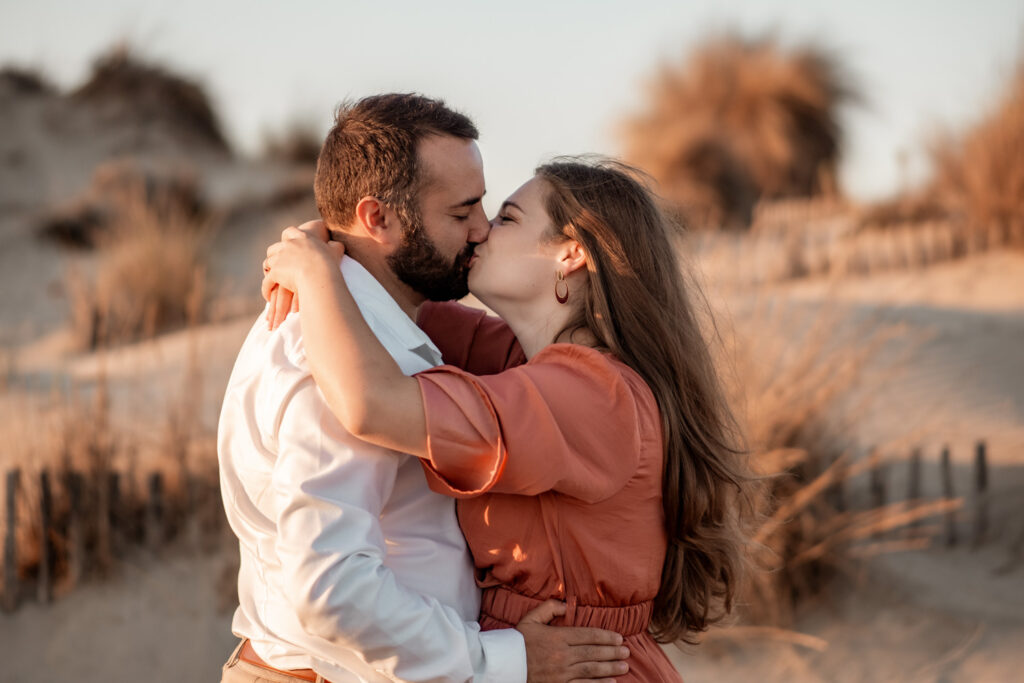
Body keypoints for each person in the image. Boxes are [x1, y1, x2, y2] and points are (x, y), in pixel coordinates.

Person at [260, 156, 760, 682]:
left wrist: (316, 274)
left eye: (507, 219)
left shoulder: (590, 394)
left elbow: (372, 404)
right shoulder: (526, 360)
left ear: (571, 254)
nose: (479, 232)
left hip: (577, 666)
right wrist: (341, 245)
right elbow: (388, 298)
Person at [218, 94, 629, 683]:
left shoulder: (369, 326)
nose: (482, 229)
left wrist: (317, 257)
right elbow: (329, 586)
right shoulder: (336, 358)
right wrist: (505, 662)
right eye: (462, 213)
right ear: (377, 218)